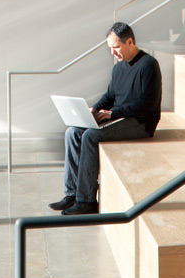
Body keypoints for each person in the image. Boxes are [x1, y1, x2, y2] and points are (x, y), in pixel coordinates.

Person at [50, 22, 160, 216]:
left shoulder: (148, 65)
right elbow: (110, 96)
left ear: (130, 42)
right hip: (119, 119)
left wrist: (113, 114)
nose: (113, 53)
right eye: (111, 49)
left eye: (116, 47)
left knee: (91, 136)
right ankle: (72, 193)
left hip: (141, 122)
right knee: (73, 132)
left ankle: (86, 200)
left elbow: (147, 105)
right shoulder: (118, 69)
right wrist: (94, 109)